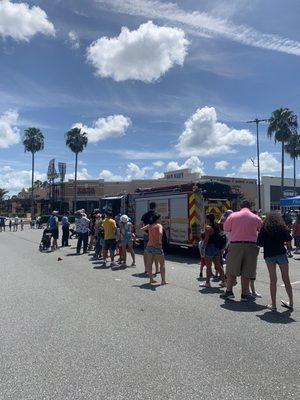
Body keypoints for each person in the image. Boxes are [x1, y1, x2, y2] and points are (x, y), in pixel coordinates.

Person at [221, 201, 262, 301]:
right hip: (251, 245)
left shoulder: (233, 216)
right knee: (247, 270)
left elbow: (225, 228)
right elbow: (261, 230)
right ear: (250, 207)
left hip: (235, 244)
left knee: (231, 269)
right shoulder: (256, 217)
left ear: (240, 207)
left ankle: (229, 292)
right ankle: (244, 294)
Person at [257, 212, 294, 311]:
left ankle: (273, 304)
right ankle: (291, 302)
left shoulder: (265, 228)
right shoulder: (281, 227)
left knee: (273, 280)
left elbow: (259, 243)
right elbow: (289, 238)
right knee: (286, 278)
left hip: (269, 254)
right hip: (281, 253)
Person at [199, 214, 226, 288]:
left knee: (208, 267)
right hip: (216, 247)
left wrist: (202, 248)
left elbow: (206, 239)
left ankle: (207, 283)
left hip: (210, 247)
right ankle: (224, 281)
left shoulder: (208, 228)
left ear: (208, 219)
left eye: (206, 218)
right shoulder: (217, 226)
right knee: (218, 265)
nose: (205, 220)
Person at [142, 214, 167, 285]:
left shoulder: (149, 225)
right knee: (162, 264)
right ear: (157, 219)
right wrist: (159, 240)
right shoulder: (159, 225)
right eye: (160, 218)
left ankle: (151, 279)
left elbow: (142, 229)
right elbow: (160, 232)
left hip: (149, 246)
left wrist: (147, 235)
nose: (161, 219)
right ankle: (163, 281)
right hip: (156, 246)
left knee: (150, 263)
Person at [140, 202, 159, 276]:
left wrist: (145, 232)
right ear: (155, 207)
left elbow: (140, 225)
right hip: (154, 236)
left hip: (147, 235)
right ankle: (157, 269)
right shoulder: (156, 215)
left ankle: (146, 269)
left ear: (149, 207)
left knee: (146, 252)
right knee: (156, 252)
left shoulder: (145, 215)